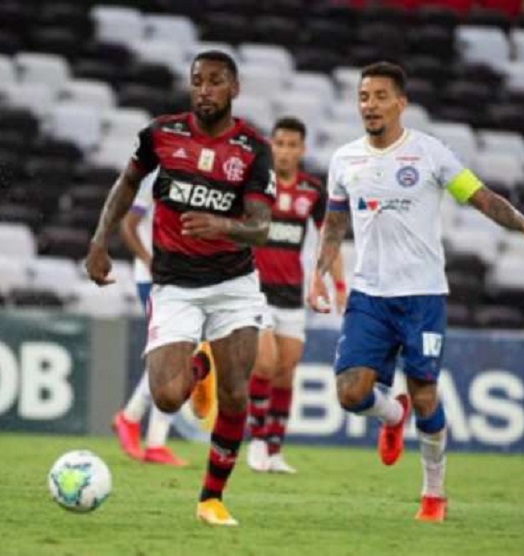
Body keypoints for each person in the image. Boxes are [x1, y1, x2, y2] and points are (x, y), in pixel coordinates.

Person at [308, 61, 524, 523]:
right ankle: (393, 415)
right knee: (349, 393)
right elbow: (334, 225)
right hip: (369, 296)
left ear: (401, 103)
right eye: (364, 97)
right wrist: (318, 274)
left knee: (426, 393)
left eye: (380, 96)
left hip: (422, 296)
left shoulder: (430, 153)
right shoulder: (344, 160)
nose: (370, 105)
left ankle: (433, 494)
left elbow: (482, 197)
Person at [85, 50, 276, 527]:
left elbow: (260, 228)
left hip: (233, 285)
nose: (204, 90)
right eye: (197, 81)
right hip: (174, 285)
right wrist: (99, 242)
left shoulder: (253, 148)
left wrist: (222, 224)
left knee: (236, 394)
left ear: (235, 88)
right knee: (168, 397)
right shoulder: (160, 134)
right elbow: (126, 185)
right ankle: (198, 366)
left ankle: (211, 498)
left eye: (215, 81)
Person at [246, 117, 347, 474]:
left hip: (291, 294)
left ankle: (275, 450)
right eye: (279, 144)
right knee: (264, 363)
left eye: (292, 145)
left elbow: (329, 238)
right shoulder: (256, 184)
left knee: (285, 373)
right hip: (254, 291)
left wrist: (338, 285)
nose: (285, 151)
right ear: (270, 145)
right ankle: (257, 441)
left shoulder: (312, 190)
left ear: (302, 149)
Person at [112, 169, 216, 466]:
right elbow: (128, 226)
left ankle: (135, 422)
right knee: (173, 358)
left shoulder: (200, 178)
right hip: (155, 280)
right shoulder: (154, 177)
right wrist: (149, 261)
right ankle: (144, 432)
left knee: (176, 358)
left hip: (183, 278)